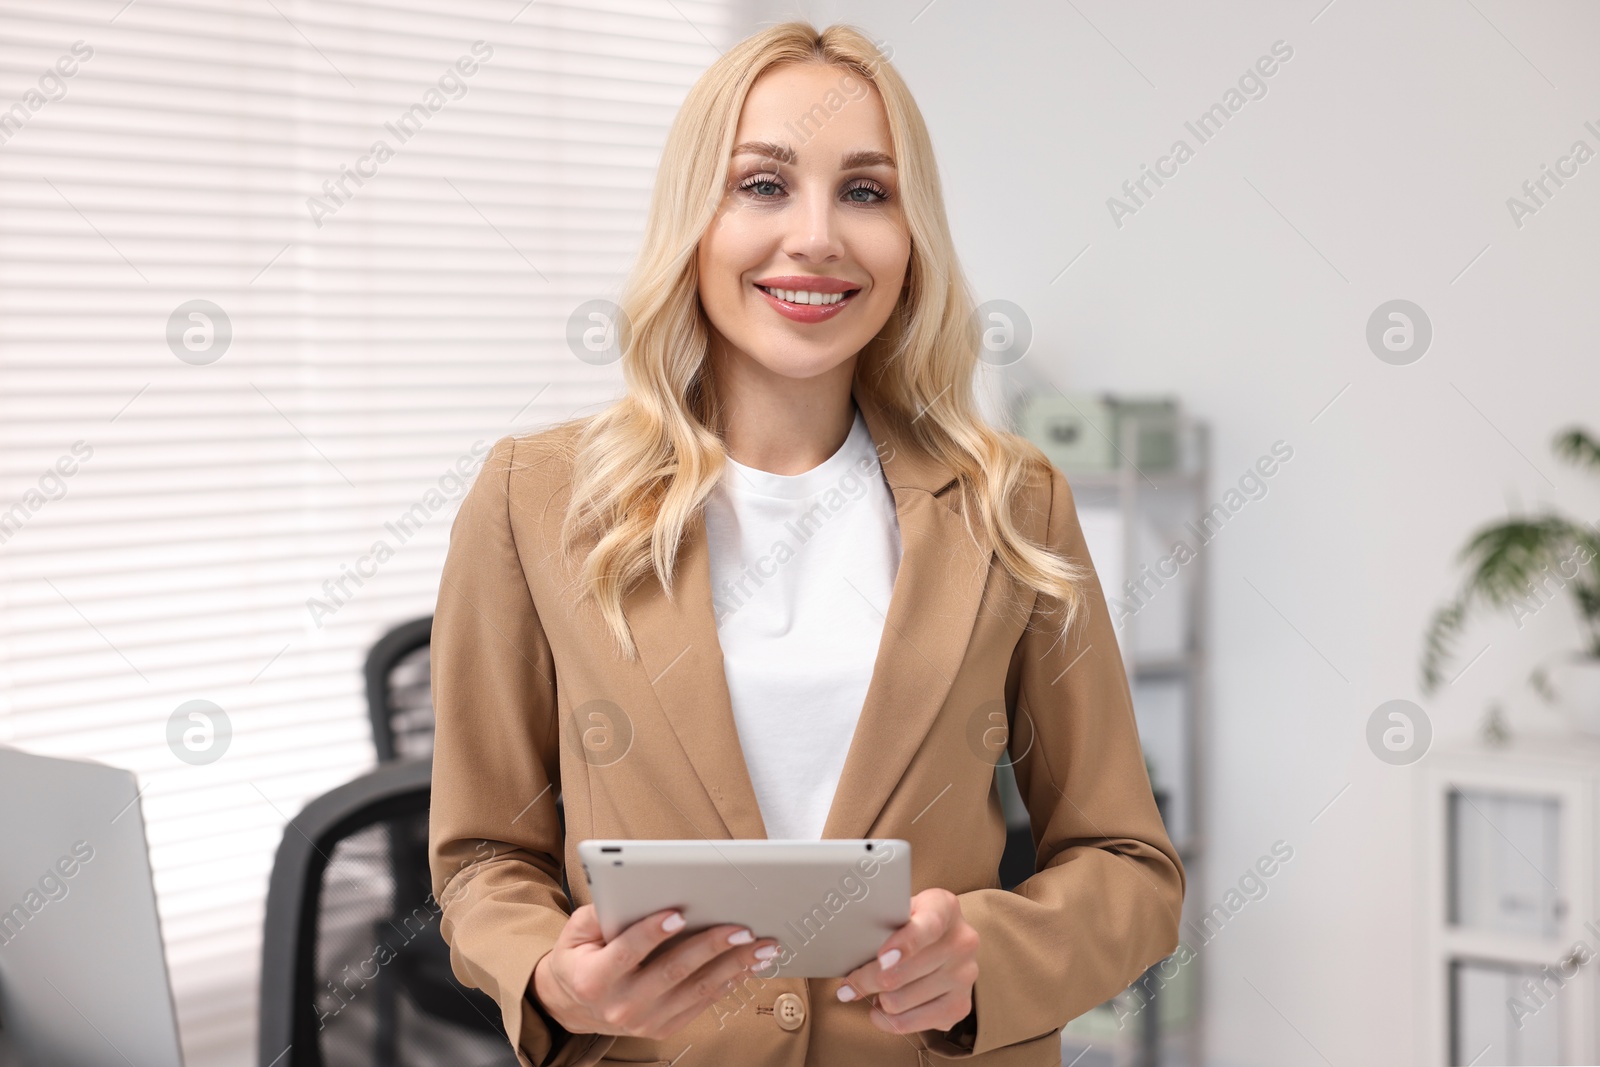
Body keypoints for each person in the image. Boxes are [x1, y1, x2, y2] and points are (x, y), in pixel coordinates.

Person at [427, 21, 1185, 1067]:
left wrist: (984, 958)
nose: (817, 235)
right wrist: (553, 976)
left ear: (911, 235)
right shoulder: (535, 498)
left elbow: (1128, 862)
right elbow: (481, 855)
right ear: (695, 216)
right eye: (763, 185)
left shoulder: (1012, 503)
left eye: (866, 192)